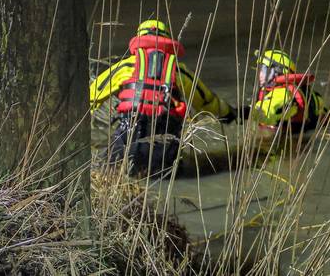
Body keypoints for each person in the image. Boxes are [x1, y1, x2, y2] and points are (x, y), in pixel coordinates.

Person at [90, 20, 238, 177]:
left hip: (127, 136)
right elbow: (207, 102)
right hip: (165, 144)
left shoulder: (125, 67)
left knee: (110, 173)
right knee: (169, 179)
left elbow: (92, 97)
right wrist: (230, 113)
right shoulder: (179, 71)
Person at [251, 49, 326, 133]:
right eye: (259, 70)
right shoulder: (292, 89)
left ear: (278, 71)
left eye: (264, 70)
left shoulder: (284, 94)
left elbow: (266, 111)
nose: (259, 74)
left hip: (290, 142)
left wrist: (240, 112)